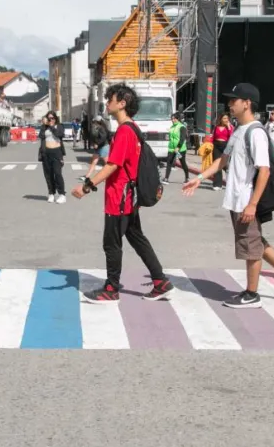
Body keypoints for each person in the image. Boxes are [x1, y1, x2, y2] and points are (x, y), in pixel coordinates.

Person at [182, 83, 274, 308]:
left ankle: (252, 294)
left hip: (247, 199)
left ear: (246, 104)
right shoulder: (239, 130)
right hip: (237, 199)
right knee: (254, 241)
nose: (230, 104)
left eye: (234, 100)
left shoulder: (256, 133)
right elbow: (222, 160)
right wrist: (199, 178)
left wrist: (252, 205)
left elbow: (264, 170)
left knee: (250, 246)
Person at [71, 83, 173, 303]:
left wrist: (86, 186)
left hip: (120, 197)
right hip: (129, 197)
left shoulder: (125, 131)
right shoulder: (132, 129)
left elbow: (112, 166)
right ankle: (160, 281)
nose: (107, 102)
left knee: (112, 243)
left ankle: (111, 289)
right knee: (137, 238)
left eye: (111, 99)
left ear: (122, 103)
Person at [38, 111, 67, 204]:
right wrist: (44, 125)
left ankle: (62, 194)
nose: (51, 120)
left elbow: (59, 134)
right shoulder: (44, 127)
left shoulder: (59, 126)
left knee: (57, 173)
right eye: (49, 118)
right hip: (46, 153)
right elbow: (41, 136)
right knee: (48, 174)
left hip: (57, 152)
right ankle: (51, 193)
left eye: (52, 118)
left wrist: (51, 126)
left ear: (55, 118)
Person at [81, 116, 110, 182]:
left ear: (97, 122)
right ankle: (87, 176)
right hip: (98, 147)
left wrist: (97, 143)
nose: (93, 123)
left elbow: (103, 137)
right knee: (93, 162)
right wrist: (93, 143)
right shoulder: (95, 128)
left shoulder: (102, 128)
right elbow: (92, 137)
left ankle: (108, 176)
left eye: (94, 121)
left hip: (103, 147)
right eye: (93, 122)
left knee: (107, 163)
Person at [163, 112, 189, 184]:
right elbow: (171, 137)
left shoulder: (182, 127)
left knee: (182, 163)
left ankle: (187, 177)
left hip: (180, 149)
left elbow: (182, 138)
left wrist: (178, 147)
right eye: (172, 119)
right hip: (171, 148)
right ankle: (166, 178)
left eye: (174, 118)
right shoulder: (172, 127)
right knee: (169, 162)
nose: (173, 120)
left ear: (178, 119)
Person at [211, 112, 233, 189]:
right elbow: (213, 137)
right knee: (217, 164)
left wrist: (229, 127)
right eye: (224, 118)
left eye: (227, 118)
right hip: (216, 145)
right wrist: (210, 145)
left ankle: (230, 182)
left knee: (226, 165)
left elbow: (232, 137)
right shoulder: (216, 127)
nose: (226, 120)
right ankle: (217, 184)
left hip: (225, 146)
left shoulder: (229, 127)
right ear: (221, 119)